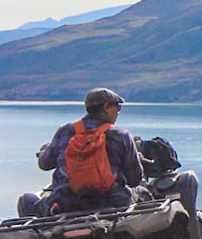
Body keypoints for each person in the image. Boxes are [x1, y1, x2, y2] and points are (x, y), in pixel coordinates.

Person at [16, 87, 145, 217]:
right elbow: (134, 179)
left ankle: (39, 235)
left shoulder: (65, 131)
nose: (118, 112)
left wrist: (44, 152)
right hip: (112, 203)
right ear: (106, 107)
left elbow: (44, 164)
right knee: (141, 192)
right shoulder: (121, 135)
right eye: (117, 107)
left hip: (64, 204)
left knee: (26, 200)